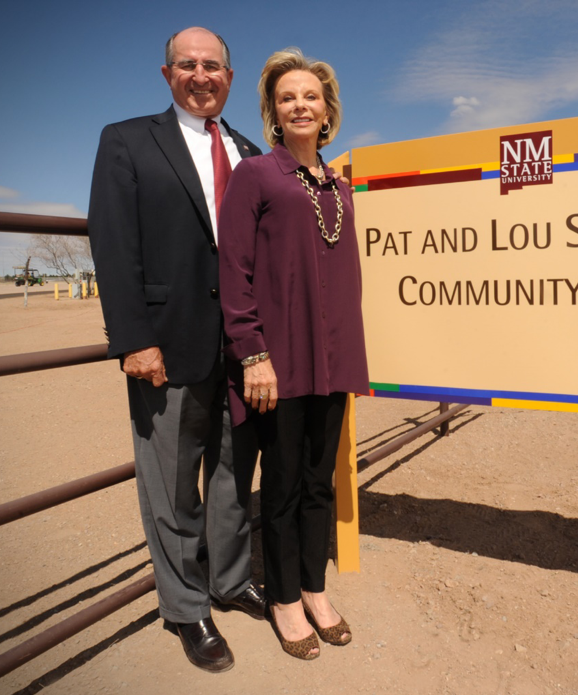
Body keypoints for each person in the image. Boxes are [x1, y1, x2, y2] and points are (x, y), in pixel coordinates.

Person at [87, 27, 266, 673]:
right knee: (171, 487)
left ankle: (231, 578)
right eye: (187, 64)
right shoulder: (127, 140)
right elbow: (112, 243)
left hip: (242, 347)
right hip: (167, 343)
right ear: (167, 74)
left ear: (229, 75)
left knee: (229, 475)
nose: (200, 74)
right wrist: (133, 338)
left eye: (212, 65)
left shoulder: (250, 151)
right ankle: (188, 607)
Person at [219, 47, 369, 660]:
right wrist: (253, 352)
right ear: (274, 114)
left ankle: (314, 587)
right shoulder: (256, 175)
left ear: (327, 110)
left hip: (332, 359)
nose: (300, 105)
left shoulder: (336, 184)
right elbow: (234, 270)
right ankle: (282, 598)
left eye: (311, 96)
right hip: (277, 364)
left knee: (318, 485)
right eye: (288, 98)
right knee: (279, 487)